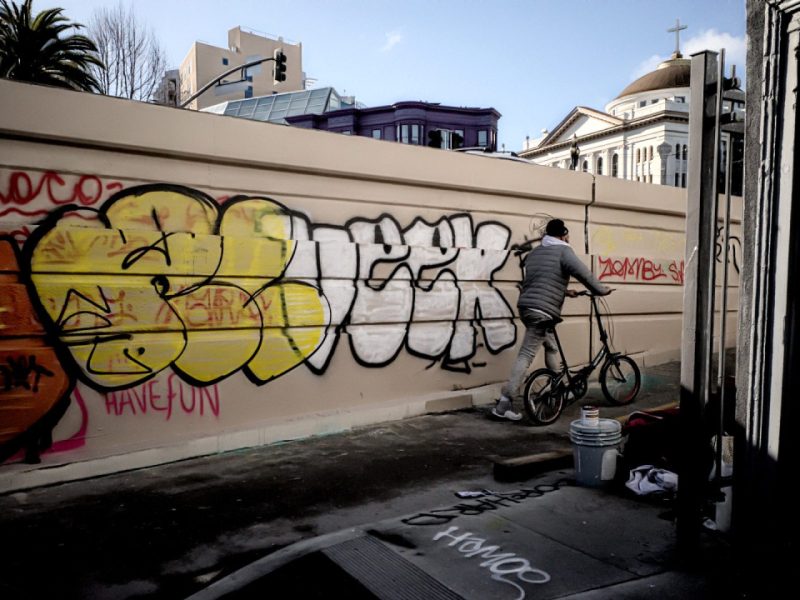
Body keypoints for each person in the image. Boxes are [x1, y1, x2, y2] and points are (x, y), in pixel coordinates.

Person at [492, 218, 611, 421]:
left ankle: (558, 388)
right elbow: (584, 274)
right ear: (563, 234)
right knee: (526, 354)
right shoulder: (564, 251)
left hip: (527, 307)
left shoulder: (536, 252)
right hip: (543, 311)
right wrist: (602, 290)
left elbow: (541, 281)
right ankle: (504, 403)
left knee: (551, 347)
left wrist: (566, 291)